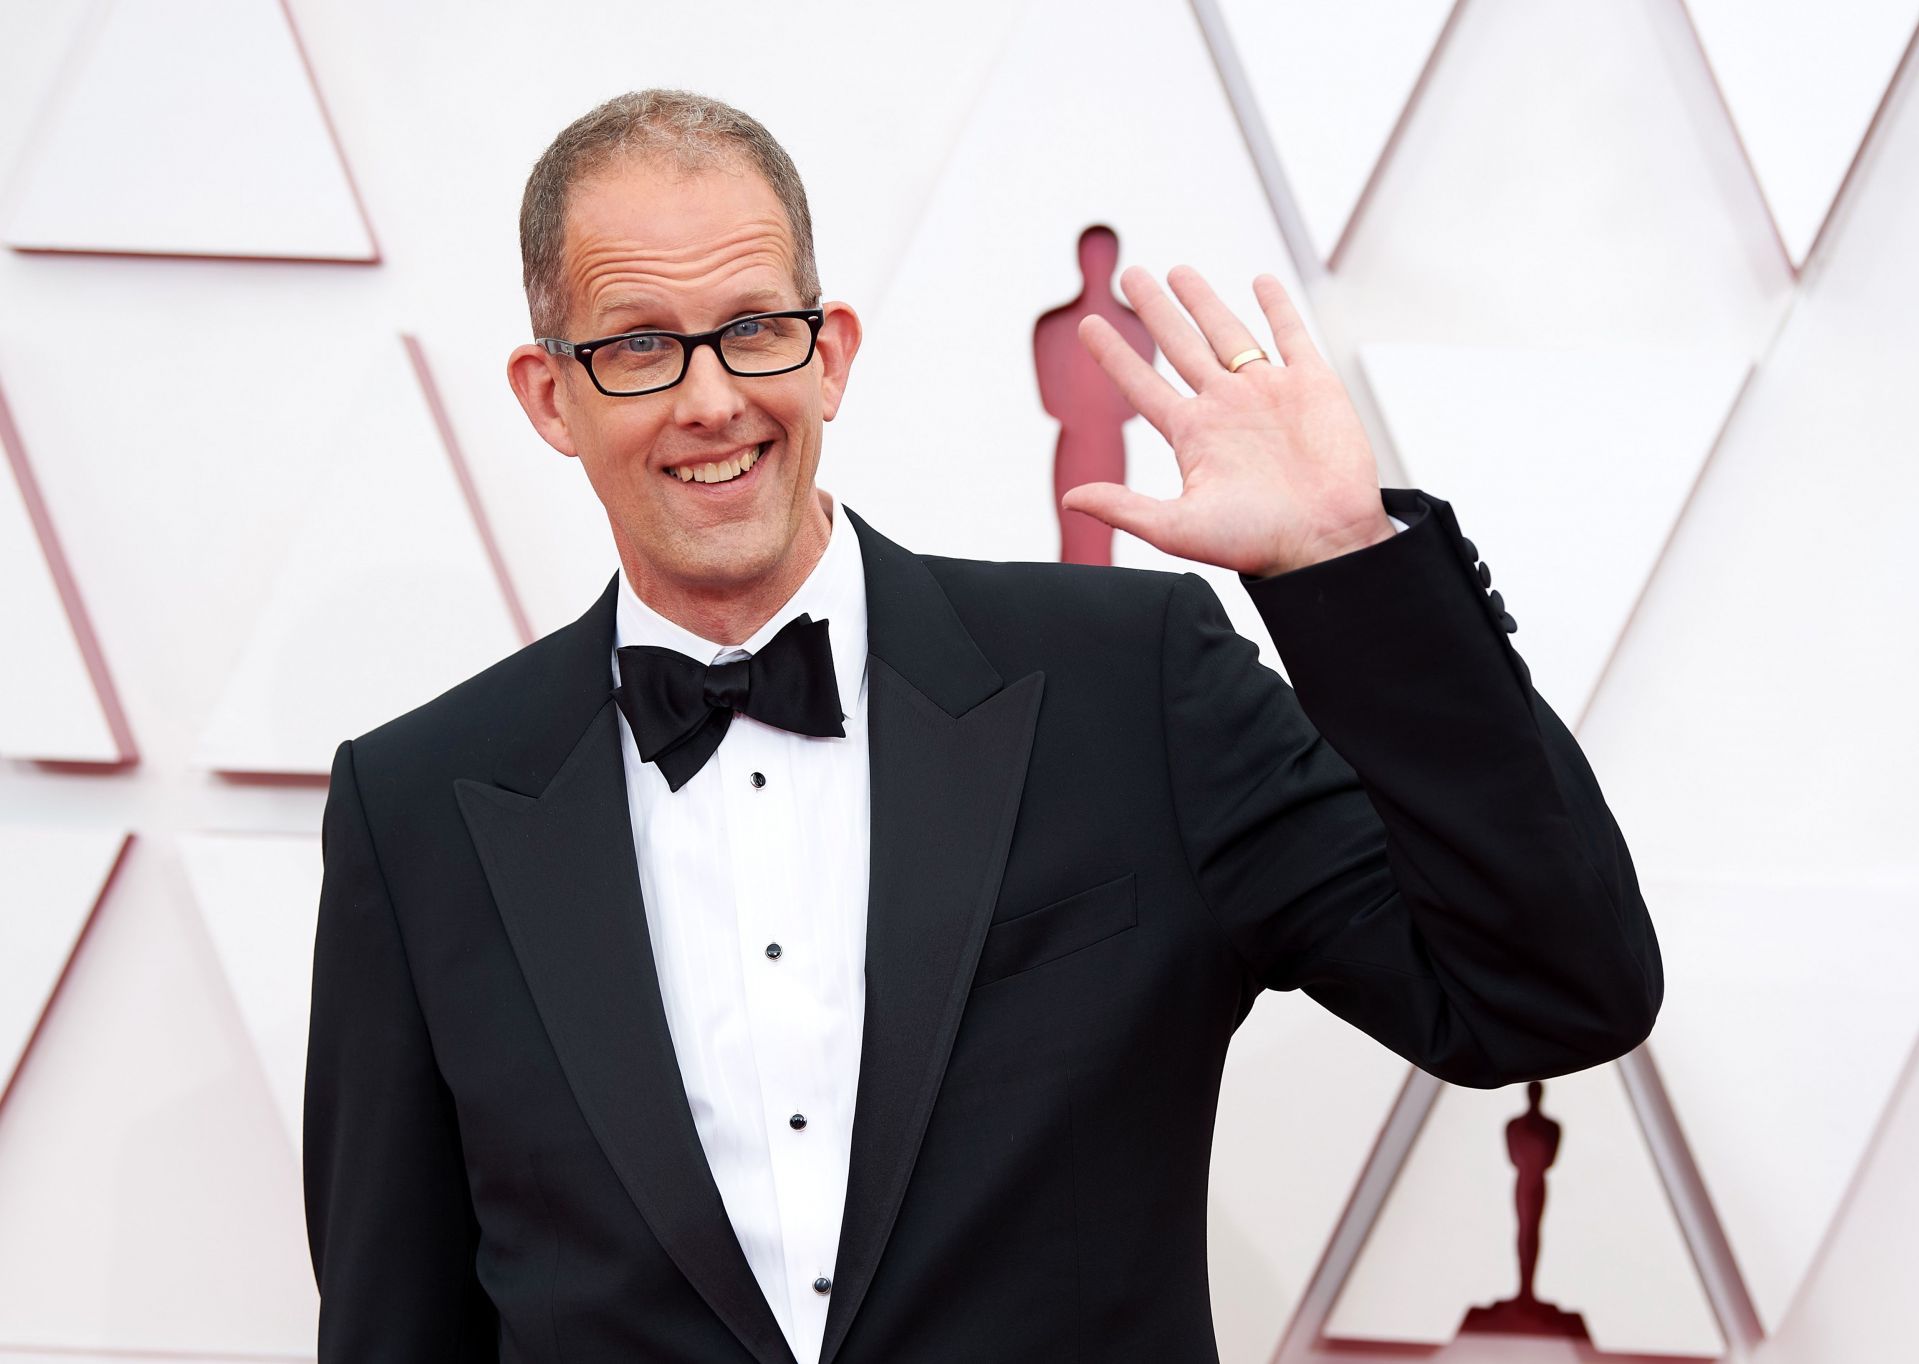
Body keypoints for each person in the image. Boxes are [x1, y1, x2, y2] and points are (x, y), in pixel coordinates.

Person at [302, 89, 1662, 1364]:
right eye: (639, 347)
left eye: (754, 330)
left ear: (828, 354)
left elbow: (1548, 991)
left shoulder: (1136, 689)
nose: (711, 398)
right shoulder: (416, 808)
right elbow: (395, 1321)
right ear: (553, 397)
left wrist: (1345, 568)